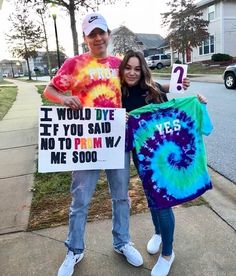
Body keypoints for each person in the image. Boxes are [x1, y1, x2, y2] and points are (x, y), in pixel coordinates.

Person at [43, 13, 144, 276]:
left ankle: (122, 242)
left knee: (121, 196)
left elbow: (142, 85)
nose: (98, 38)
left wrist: (178, 87)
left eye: (102, 32)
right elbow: (49, 91)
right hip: (86, 143)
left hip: (116, 142)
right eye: (92, 34)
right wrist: (64, 100)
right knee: (81, 199)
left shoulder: (117, 64)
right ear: (86, 38)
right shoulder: (74, 64)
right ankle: (75, 249)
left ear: (108, 34)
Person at [119, 50, 208, 276]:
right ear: (122, 69)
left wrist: (196, 102)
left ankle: (168, 253)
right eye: (128, 67)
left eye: (137, 68)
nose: (132, 72)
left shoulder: (153, 89)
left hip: (163, 157)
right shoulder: (117, 93)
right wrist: (121, 118)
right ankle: (159, 232)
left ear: (143, 70)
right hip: (142, 158)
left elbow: (174, 112)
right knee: (151, 197)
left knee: (163, 202)